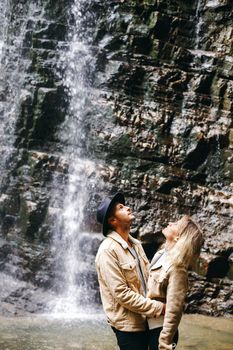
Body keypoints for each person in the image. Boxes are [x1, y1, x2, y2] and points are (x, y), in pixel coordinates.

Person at [95, 192, 165, 350]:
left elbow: (148, 280)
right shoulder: (107, 250)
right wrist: (159, 308)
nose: (128, 207)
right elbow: (121, 294)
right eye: (121, 208)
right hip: (129, 327)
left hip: (147, 320)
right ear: (113, 221)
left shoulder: (136, 244)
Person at [147, 215, 204, 350]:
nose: (170, 222)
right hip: (147, 327)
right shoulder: (161, 255)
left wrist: (164, 343)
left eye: (176, 224)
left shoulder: (178, 268)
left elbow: (174, 310)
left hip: (159, 331)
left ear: (178, 237)